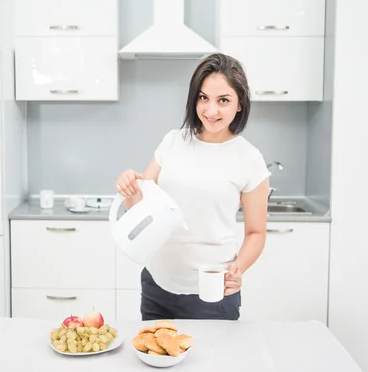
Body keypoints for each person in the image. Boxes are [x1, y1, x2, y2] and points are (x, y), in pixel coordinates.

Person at [115, 53, 270, 321]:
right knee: (155, 359)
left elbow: (256, 232)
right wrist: (129, 189)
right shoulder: (173, 141)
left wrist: (238, 268)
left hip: (213, 292)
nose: (211, 110)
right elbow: (142, 208)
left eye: (223, 100)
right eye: (203, 98)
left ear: (240, 104)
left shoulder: (249, 159)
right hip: (157, 285)